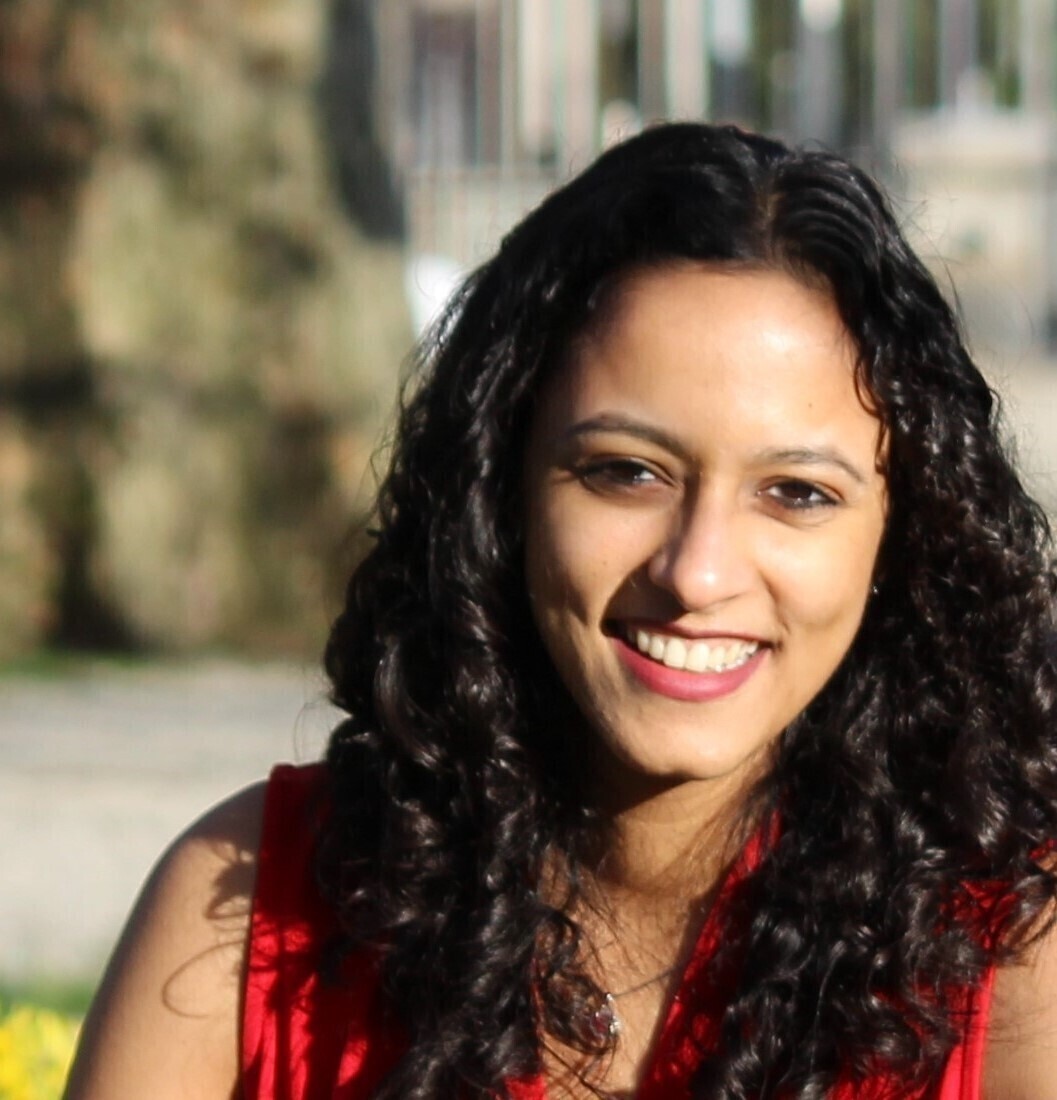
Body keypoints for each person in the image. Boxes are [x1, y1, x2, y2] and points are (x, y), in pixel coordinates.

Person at [64, 123, 1057, 1100]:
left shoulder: (1015, 947)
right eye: (626, 472)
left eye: (797, 492)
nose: (697, 572)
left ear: (903, 535)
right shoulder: (242, 912)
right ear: (500, 490)